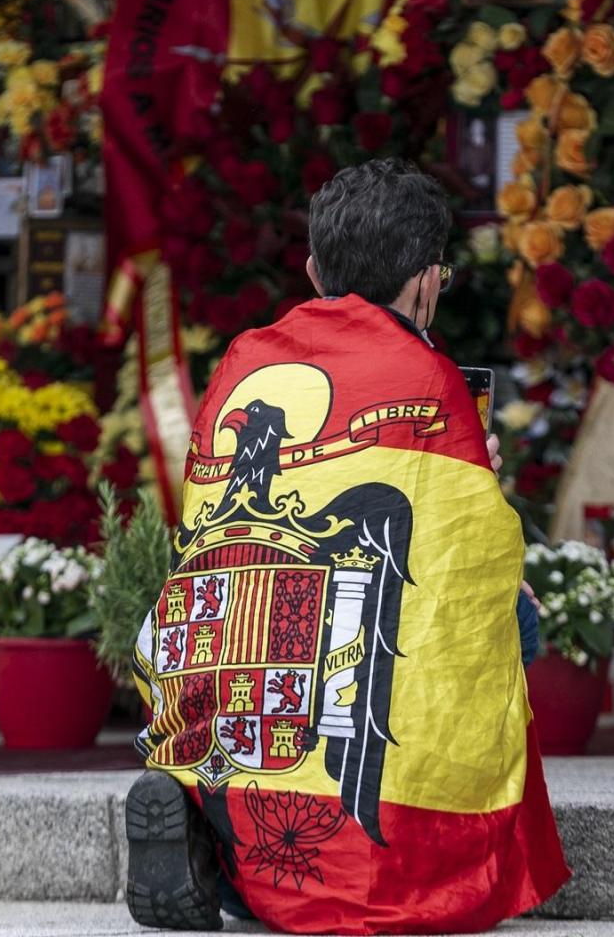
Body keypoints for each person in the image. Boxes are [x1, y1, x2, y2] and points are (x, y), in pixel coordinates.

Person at [124, 158, 569, 934]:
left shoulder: (243, 361)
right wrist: (478, 481)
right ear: (429, 282)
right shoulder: (431, 380)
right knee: (517, 618)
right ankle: (375, 840)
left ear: (311, 270)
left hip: (239, 667)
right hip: (347, 670)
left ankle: (218, 838)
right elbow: (471, 564)